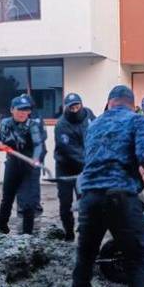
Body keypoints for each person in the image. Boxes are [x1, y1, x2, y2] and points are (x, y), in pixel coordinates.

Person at [67, 85, 144, 287]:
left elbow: (89, 160)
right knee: (136, 258)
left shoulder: (94, 124)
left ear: (109, 103)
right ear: (132, 104)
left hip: (90, 198)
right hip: (120, 197)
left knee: (86, 256)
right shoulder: (138, 121)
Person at [0, 96, 43, 235]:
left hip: (29, 166)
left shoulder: (32, 125)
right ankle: (1, 228)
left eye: (26, 110)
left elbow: (38, 145)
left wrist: (35, 158)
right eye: (19, 110)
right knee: (7, 198)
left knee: (29, 203)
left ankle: (27, 234)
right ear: (12, 110)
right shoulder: (5, 123)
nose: (23, 113)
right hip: (12, 164)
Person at [54, 93, 95, 241]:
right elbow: (69, 151)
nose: (75, 108)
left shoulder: (89, 115)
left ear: (81, 104)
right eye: (71, 106)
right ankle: (69, 232)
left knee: (85, 199)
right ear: (67, 107)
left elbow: (96, 133)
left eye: (77, 105)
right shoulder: (61, 125)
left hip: (83, 167)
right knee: (65, 203)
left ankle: (84, 230)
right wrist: (90, 163)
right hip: (65, 167)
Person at [16, 93, 48, 218]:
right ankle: (21, 205)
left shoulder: (37, 117)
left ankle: (35, 204)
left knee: (34, 179)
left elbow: (44, 134)